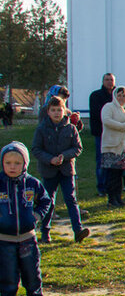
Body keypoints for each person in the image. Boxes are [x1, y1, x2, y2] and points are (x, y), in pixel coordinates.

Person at [0, 141, 52, 296]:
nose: (12, 167)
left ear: (25, 164)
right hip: (4, 240)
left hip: (27, 239)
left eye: (17, 163)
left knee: (31, 271)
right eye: (8, 163)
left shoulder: (32, 183)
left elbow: (46, 201)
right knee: (7, 275)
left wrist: (36, 216)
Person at [32, 96, 89, 244]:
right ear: (48, 112)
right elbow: (36, 149)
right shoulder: (42, 129)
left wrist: (64, 156)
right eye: (53, 110)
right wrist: (50, 159)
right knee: (48, 201)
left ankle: (78, 230)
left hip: (66, 170)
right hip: (49, 170)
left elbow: (78, 148)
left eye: (59, 110)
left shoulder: (71, 128)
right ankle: (45, 232)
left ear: (64, 111)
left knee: (71, 199)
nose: (57, 113)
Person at [101, 86, 125, 208]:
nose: (122, 98)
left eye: (124, 95)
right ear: (115, 96)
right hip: (112, 146)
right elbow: (107, 120)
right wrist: (124, 126)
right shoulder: (109, 107)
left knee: (119, 174)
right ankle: (111, 198)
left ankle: (118, 198)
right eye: (119, 95)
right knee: (112, 173)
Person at [89, 73, 115, 196]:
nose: (109, 82)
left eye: (111, 80)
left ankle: (112, 185)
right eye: (107, 79)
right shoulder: (96, 96)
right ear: (103, 81)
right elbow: (97, 114)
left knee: (115, 160)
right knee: (101, 160)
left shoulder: (117, 95)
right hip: (101, 133)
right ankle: (101, 187)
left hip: (115, 133)